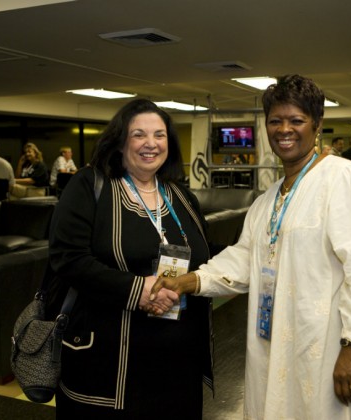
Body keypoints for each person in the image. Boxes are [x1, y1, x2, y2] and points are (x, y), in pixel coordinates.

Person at [152, 75, 351, 419]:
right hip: (287, 342)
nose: (284, 130)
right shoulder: (268, 198)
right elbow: (247, 256)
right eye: (276, 121)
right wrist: (189, 281)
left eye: (296, 120)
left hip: (338, 346)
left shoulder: (345, 180)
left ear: (317, 124)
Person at [47, 98, 213, 418]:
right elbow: (68, 259)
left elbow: (205, 254)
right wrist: (139, 290)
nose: (151, 143)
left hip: (179, 362)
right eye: (139, 134)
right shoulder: (89, 185)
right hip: (108, 363)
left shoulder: (180, 194)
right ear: (120, 141)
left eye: (160, 135)